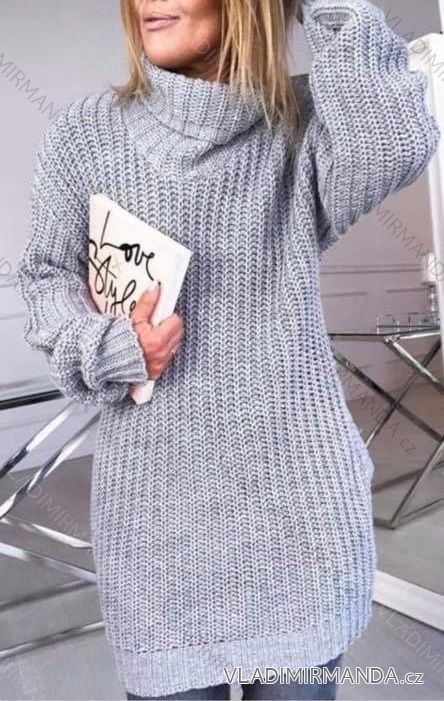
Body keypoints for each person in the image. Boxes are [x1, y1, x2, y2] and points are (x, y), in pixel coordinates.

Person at [16, 0, 440, 699]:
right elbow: (45, 277)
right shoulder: (85, 135)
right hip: (157, 540)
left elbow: (395, 143)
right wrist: (109, 344)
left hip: (303, 530)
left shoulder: (306, 126)